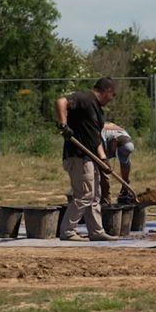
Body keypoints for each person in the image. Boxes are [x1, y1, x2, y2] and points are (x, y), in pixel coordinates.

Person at [54, 77, 119, 241]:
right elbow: (61, 102)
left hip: (91, 158)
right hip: (78, 156)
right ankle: (67, 231)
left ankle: (96, 231)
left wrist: (103, 159)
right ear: (107, 91)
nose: (111, 100)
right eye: (112, 96)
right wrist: (63, 125)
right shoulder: (85, 98)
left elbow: (95, 138)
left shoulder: (97, 109)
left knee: (95, 196)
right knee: (85, 195)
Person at [100, 122, 135, 204]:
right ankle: (124, 187)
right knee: (123, 163)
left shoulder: (101, 128)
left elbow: (125, 164)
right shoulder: (108, 128)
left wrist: (125, 183)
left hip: (119, 141)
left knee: (104, 167)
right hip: (127, 142)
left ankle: (107, 196)